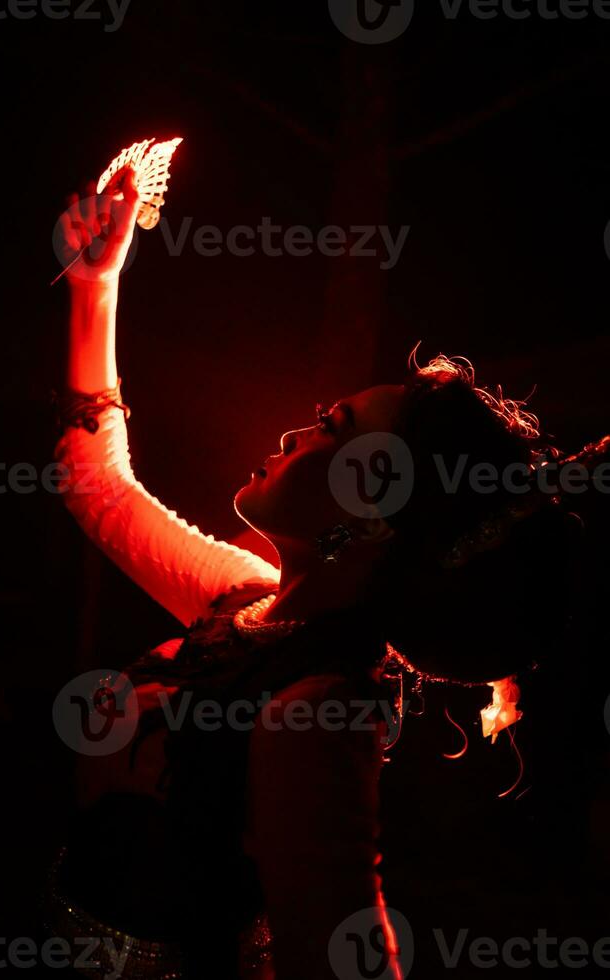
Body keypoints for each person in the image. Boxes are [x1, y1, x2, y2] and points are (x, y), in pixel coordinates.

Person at [47, 168, 605, 980]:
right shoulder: (247, 600)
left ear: (367, 512)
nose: (295, 430)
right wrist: (98, 285)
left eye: (330, 427)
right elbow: (95, 485)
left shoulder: (322, 710)